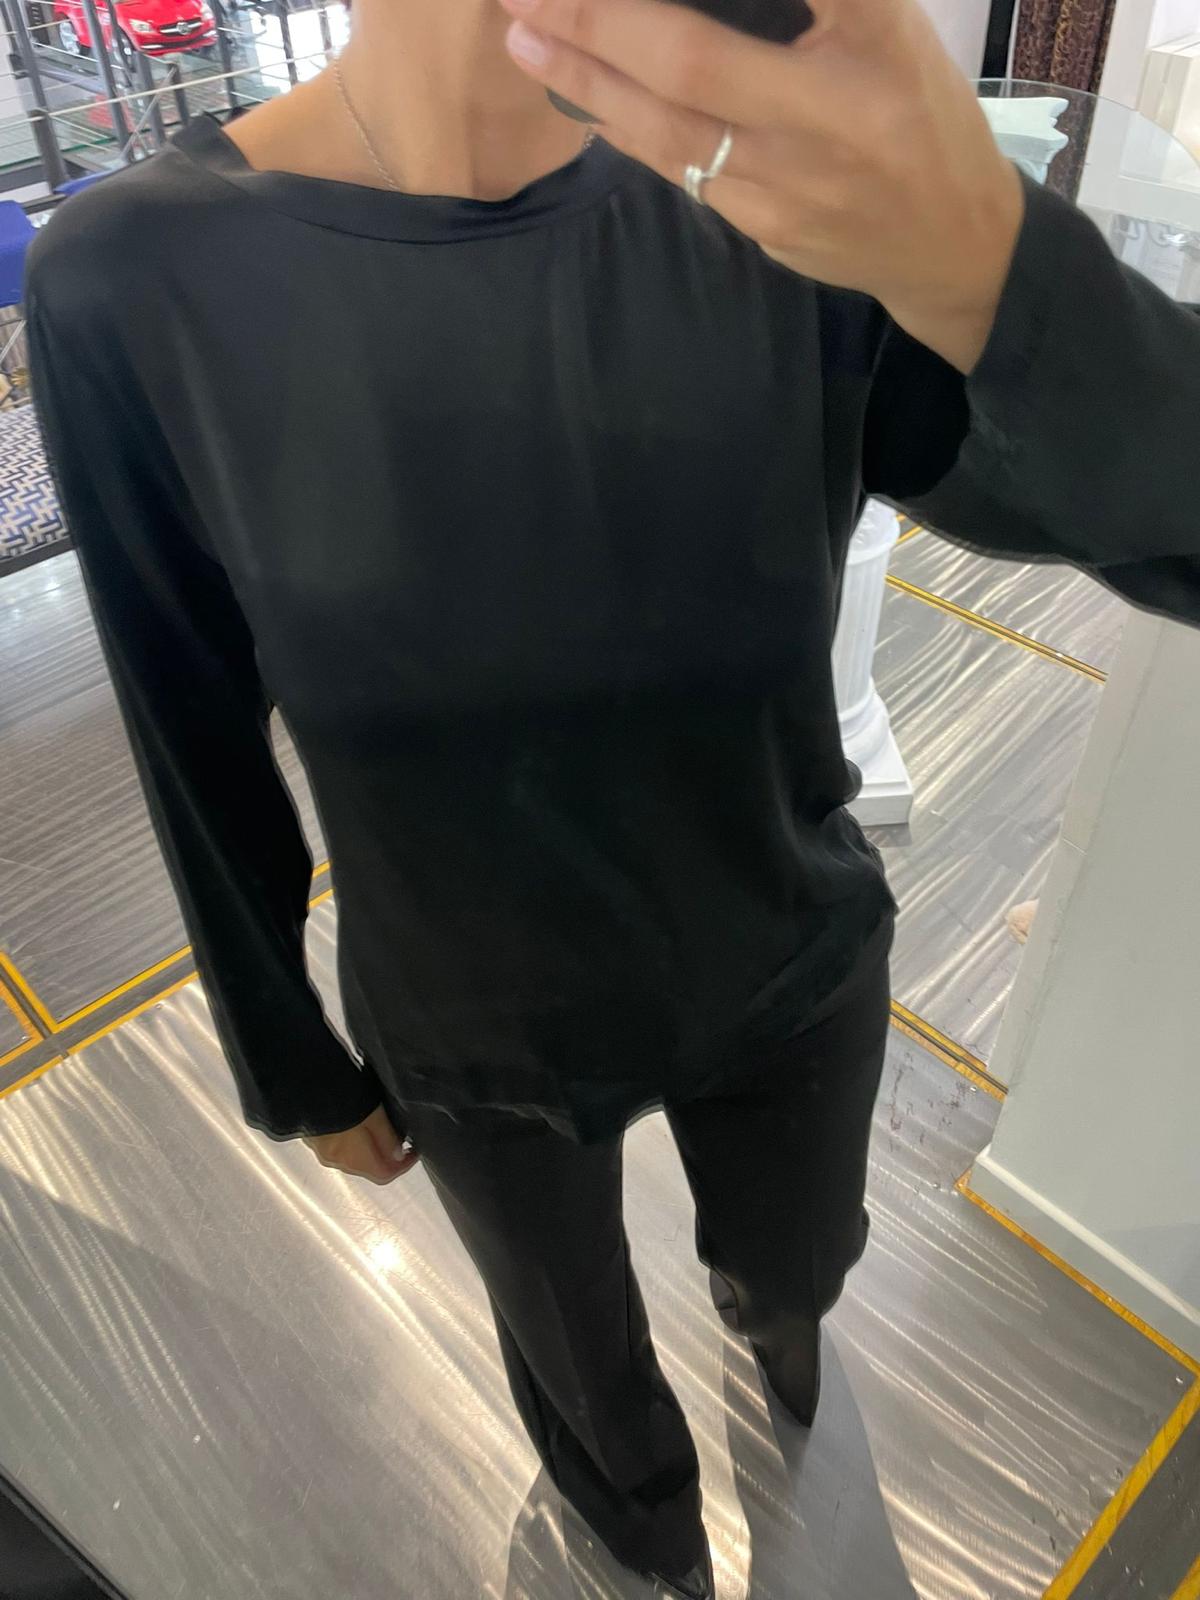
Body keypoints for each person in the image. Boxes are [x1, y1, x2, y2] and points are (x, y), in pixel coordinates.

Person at [25, 0, 1198, 1592]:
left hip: (785, 956)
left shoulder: (781, 216)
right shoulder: (137, 282)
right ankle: (649, 1545)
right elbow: (189, 715)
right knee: (585, 1388)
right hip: (474, 1023)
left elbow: (1157, 520)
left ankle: (777, 1343)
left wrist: (993, 267)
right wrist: (287, 1050)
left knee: (797, 1273)